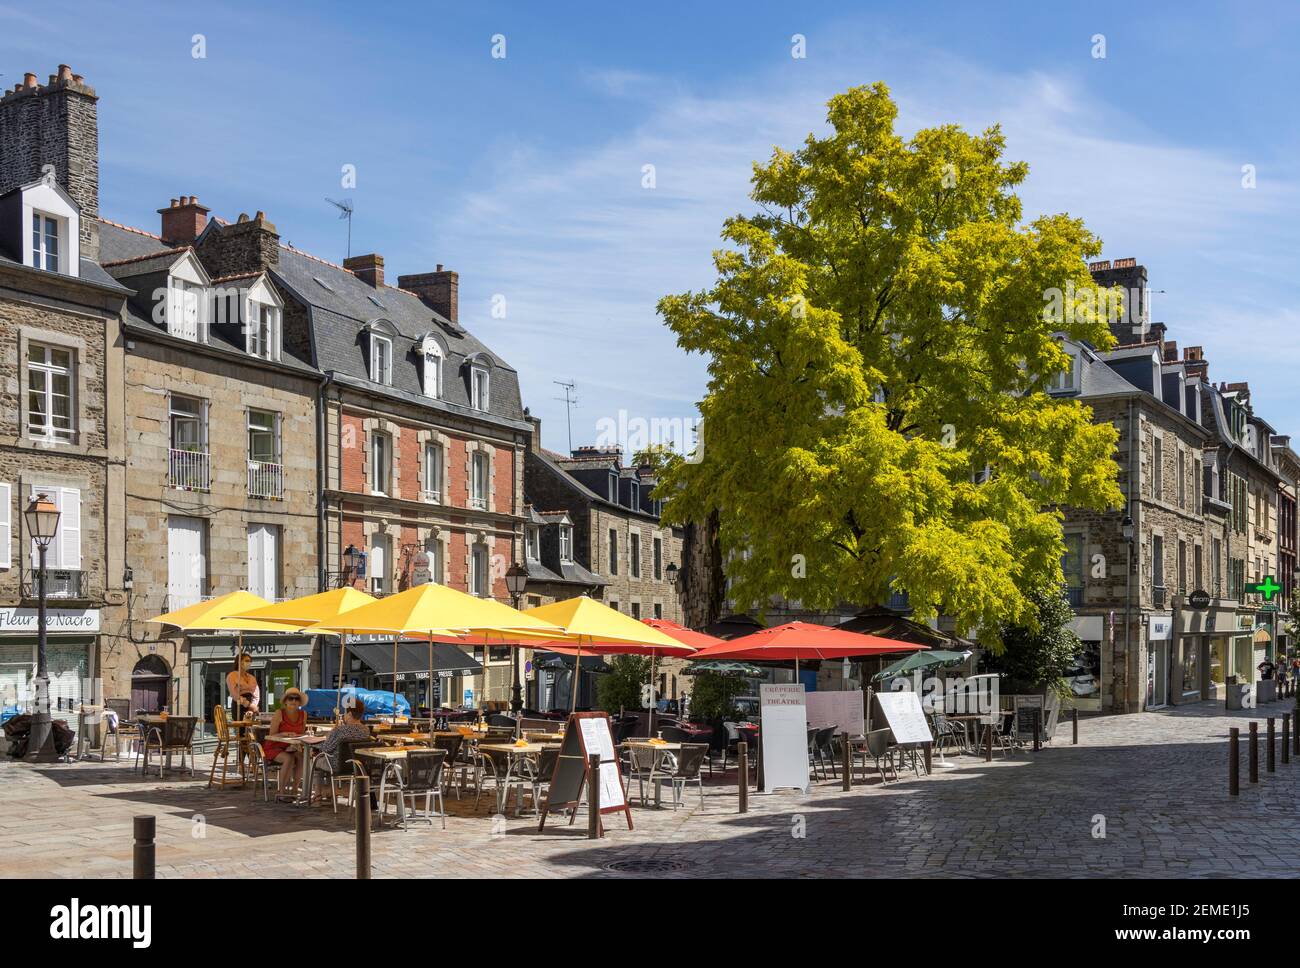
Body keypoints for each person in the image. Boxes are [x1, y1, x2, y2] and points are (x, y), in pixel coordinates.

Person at [311, 695, 370, 789]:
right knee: (325, 758)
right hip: (357, 766)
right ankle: (330, 795)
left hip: (338, 765)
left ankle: (317, 796)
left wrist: (315, 746)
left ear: (350, 714)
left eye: (345, 713)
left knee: (316, 760)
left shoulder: (339, 730)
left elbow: (326, 748)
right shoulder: (366, 730)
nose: (344, 715)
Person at [262, 688, 308, 796]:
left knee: (302, 757)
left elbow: (300, 734)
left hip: (291, 746)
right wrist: (284, 734)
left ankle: (295, 789)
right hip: (274, 747)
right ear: (285, 701)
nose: (294, 701)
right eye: (290, 698)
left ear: (300, 702)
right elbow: (271, 735)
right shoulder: (279, 713)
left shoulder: (303, 714)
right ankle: (281, 791)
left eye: (297, 699)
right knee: (289, 758)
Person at [225, 652, 260, 720]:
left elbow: (256, 694)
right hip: (239, 704)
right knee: (241, 727)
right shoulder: (232, 676)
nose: (249, 663)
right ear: (239, 662)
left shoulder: (252, 677)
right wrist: (248, 704)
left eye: (250, 661)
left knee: (251, 727)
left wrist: (253, 706)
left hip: (251, 704)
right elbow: (234, 693)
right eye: (247, 661)